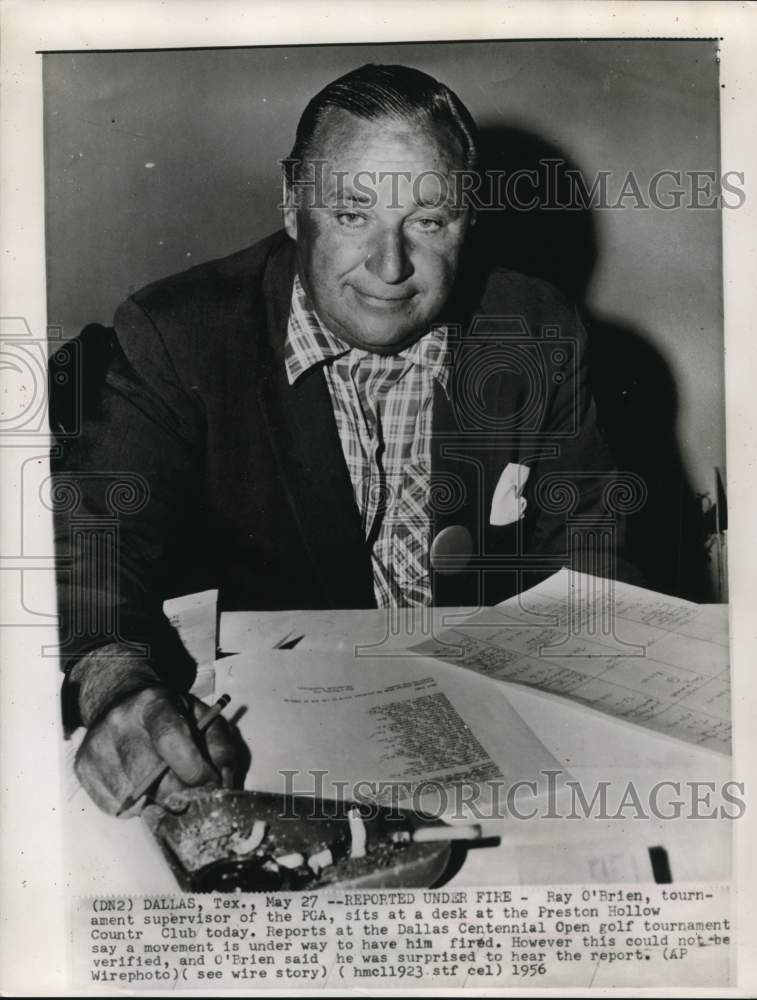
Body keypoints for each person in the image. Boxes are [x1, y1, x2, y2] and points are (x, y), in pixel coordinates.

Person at [51, 64, 635, 815]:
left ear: (472, 217)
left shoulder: (536, 328)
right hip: (263, 745)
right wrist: (117, 683)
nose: (391, 269)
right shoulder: (180, 335)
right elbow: (94, 540)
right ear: (292, 204)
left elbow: (595, 540)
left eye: (429, 221)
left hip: (491, 738)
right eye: (352, 214)